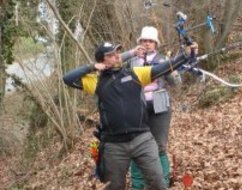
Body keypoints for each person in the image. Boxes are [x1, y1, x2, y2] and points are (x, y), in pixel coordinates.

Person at [63, 41, 197, 190]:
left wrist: (185, 55)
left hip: (142, 139)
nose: (117, 57)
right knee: (114, 187)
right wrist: (91, 67)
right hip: (113, 145)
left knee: (158, 184)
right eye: (111, 55)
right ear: (102, 60)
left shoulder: (135, 73)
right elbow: (67, 79)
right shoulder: (95, 81)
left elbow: (163, 68)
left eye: (117, 53)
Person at [121, 26, 181, 189]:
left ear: (156, 44)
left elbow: (176, 83)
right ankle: (138, 185)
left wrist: (172, 68)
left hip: (160, 107)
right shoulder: (131, 60)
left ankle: (163, 183)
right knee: (136, 146)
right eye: (144, 41)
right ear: (139, 42)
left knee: (159, 146)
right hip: (136, 108)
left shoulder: (162, 59)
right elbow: (112, 63)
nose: (147, 44)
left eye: (150, 41)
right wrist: (131, 53)